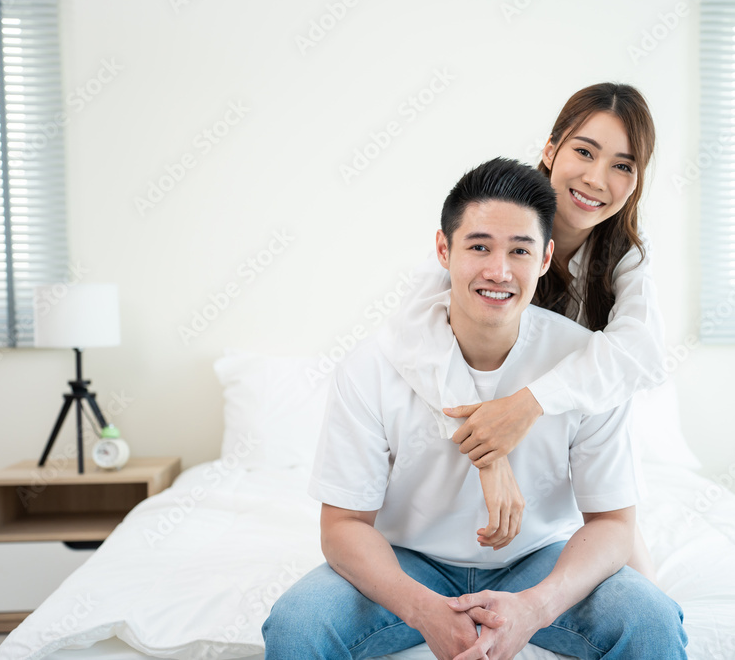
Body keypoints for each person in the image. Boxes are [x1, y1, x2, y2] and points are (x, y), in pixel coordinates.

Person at [262, 158, 687, 659]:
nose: (498, 271)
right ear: (444, 249)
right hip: (408, 560)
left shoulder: (584, 366)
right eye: (479, 246)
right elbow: (341, 527)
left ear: (547, 257)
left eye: (520, 250)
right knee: (296, 623)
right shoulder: (371, 366)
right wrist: (424, 611)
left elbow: (613, 524)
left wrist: (535, 607)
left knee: (652, 618)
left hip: (539, 559)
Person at [386, 83, 666, 579]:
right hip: (462, 444)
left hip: (562, 443)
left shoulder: (625, 259)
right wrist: (489, 454)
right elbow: (415, 336)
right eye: (584, 151)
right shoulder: (492, 216)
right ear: (551, 148)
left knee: (649, 602)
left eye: (623, 165)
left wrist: (527, 405)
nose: (598, 179)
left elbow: (640, 354)